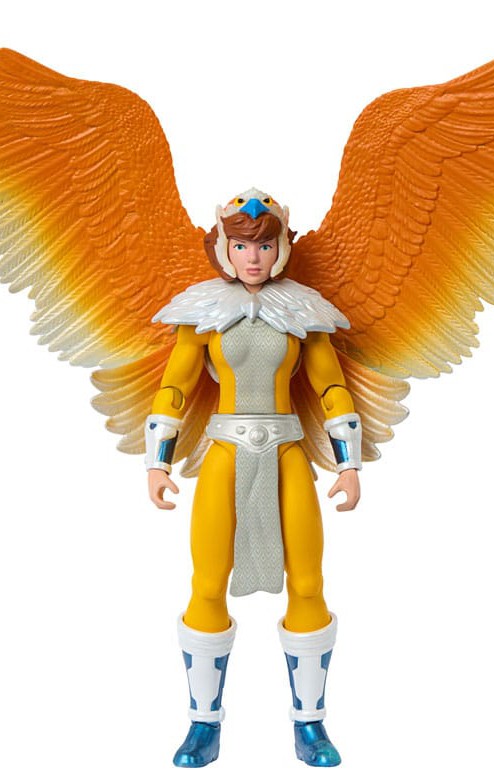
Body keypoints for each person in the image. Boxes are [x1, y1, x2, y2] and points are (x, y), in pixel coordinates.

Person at [144, 190, 362, 767]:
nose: (253, 257)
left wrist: (348, 463)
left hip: (287, 452)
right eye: (242, 246)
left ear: (281, 247)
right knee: (207, 583)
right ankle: (202, 725)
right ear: (224, 247)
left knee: (308, 583)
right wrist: (157, 461)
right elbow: (175, 388)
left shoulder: (304, 313)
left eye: (264, 245)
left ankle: (310, 725)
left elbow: (330, 387)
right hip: (224, 453)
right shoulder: (203, 312)